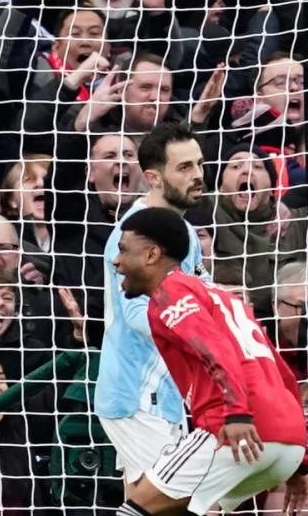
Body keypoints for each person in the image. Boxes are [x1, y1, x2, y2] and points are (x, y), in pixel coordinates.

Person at [111, 206, 308, 516]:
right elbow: (280, 371)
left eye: (123, 251)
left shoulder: (171, 292)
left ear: (151, 255)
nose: (116, 261)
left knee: (136, 510)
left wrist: (237, 415)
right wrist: (300, 462)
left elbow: (213, 348)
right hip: (288, 441)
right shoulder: (225, 296)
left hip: (239, 429)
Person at [97, 121, 209, 492]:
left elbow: (197, 295)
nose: (198, 175)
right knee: (186, 501)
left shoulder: (185, 233)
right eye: (184, 168)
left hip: (168, 398)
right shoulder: (132, 235)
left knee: (146, 503)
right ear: (153, 177)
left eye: (198, 164)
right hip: (137, 398)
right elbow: (136, 315)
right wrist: (200, 319)